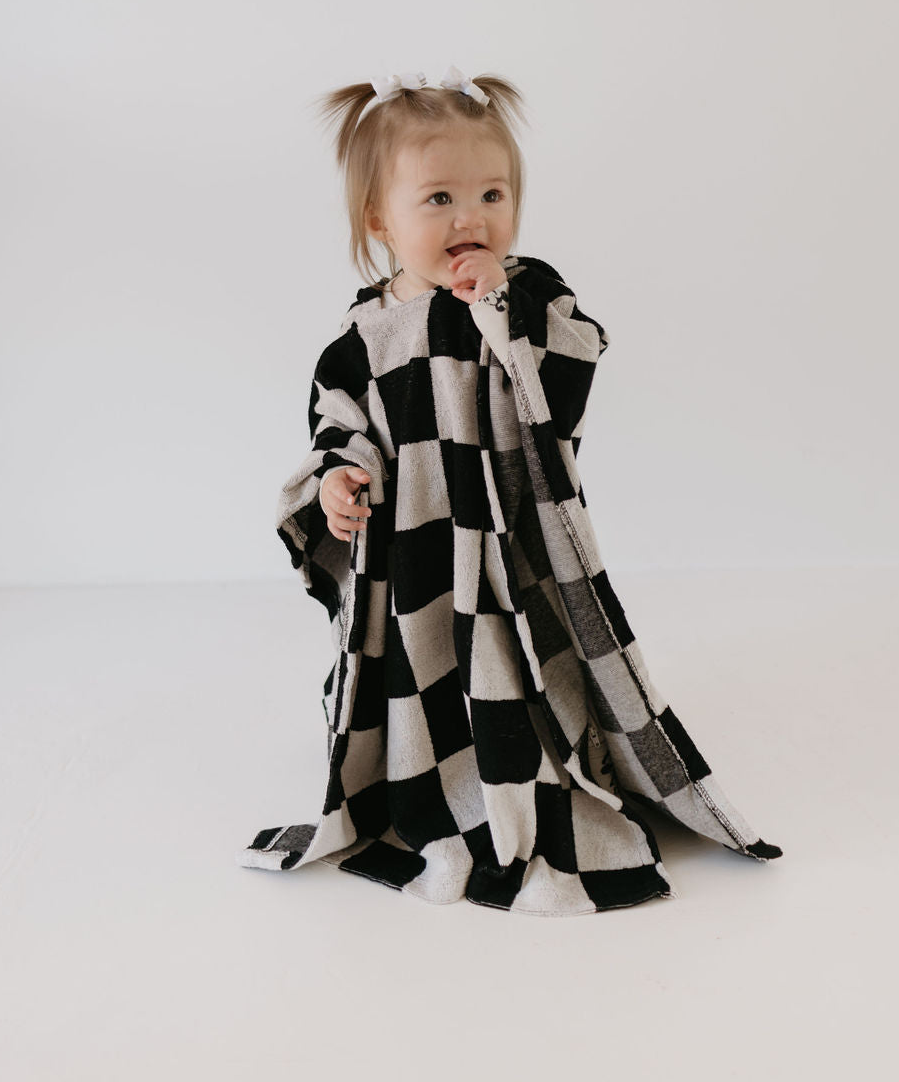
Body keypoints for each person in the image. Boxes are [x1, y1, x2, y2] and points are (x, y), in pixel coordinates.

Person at [236, 66, 782, 915]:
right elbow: (340, 425)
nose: (471, 217)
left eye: (493, 193)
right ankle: (420, 774)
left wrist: (499, 308)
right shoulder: (364, 336)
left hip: (508, 540)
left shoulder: (525, 292)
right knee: (420, 673)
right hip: (418, 547)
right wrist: (341, 482)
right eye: (440, 198)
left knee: (526, 669)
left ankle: (542, 764)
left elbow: (568, 372)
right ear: (379, 218)